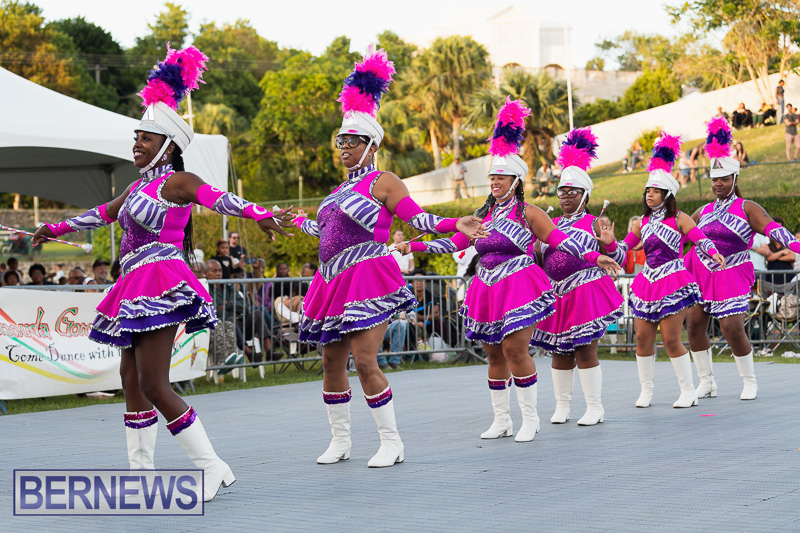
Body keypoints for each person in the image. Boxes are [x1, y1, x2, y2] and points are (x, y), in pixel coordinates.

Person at [32, 46, 290, 502]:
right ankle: (141, 471)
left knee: (154, 382)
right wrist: (52, 227)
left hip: (161, 283)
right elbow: (102, 213)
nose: (137, 144)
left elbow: (222, 198)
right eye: (135, 137)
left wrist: (262, 213)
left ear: (168, 146)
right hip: (133, 284)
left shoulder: (178, 182)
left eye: (145, 139)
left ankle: (212, 466)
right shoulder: (136, 187)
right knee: (130, 380)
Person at [279, 48, 488, 467]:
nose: (344, 147)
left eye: (353, 141)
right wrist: (292, 222)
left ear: (372, 145)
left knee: (365, 360)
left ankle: (391, 441)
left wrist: (453, 225)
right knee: (330, 361)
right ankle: (341, 440)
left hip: (367, 276)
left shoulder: (384, 181)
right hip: (331, 280)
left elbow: (418, 218)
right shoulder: (336, 192)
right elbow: (325, 233)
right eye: (341, 141)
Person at [398, 102, 619, 442]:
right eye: (492, 177)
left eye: (500, 177)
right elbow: (454, 242)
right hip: (486, 287)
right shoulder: (481, 217)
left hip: (520, 285)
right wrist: (413, 247)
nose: (494, 181)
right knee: (494, 353)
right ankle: (501, 418)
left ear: (516, 181)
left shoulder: (530, 213)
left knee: (516, 350)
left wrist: (596, 256)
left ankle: (529, 419)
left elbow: (560, 241)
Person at [684, 117, 800, 401]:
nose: (719, 184)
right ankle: (706, 381)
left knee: (731, 327)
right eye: (715, 180)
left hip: (732, 270)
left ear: (735, 180)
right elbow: (684, 238)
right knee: (694, 325)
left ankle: (749, 380)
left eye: (724, 179)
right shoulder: (702, 211)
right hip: (700, 271)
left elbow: (773, 229)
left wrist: (796, 245)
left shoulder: (747, 207)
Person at [615, 133, 726, 409]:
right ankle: (647, 390)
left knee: (671, 338)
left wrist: (714, 253)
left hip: (673, 280)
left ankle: (688, 390)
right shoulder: (641, 223)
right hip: (647, 282)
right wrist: (606, 245)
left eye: (653, 191)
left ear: (666, 194)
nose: (648, 194)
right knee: (642, 337)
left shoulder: (679, 218)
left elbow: (701, 238)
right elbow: (622, 250)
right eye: (647, 191)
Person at [530, 128, 624, 427]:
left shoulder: (595, 222)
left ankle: (595, 407)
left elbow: (618, 260)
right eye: (562, 193)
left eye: (572, 193)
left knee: (585, 348)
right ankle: (563, 406)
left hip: (586, 291)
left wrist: (609, 242)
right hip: (557, 292)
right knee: (559, 351)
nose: (566, 197)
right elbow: (539, 259)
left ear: (585, 196)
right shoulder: (550, 223)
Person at [763, 216, 796, 285]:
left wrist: (775, 257)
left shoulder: (788, 243)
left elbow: (792, 257)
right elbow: (769, 258)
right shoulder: (767, 244)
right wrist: (782, 252)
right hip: (772, 279)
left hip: (788, 279)